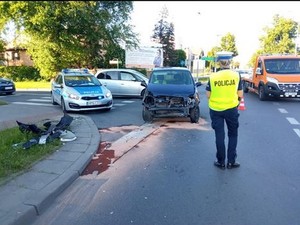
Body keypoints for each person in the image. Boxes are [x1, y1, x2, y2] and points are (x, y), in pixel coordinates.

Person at [206, 58, 243, 170]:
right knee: (233, 134)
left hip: (216, 109)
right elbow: (240, 93)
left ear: (219, 65)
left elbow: (208, 94)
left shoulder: (213, 77)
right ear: (229, 64)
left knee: (219, 135)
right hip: (231, 109)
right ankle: (231, 162)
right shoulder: (236, 76)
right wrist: (236, 103)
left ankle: (221, 161)